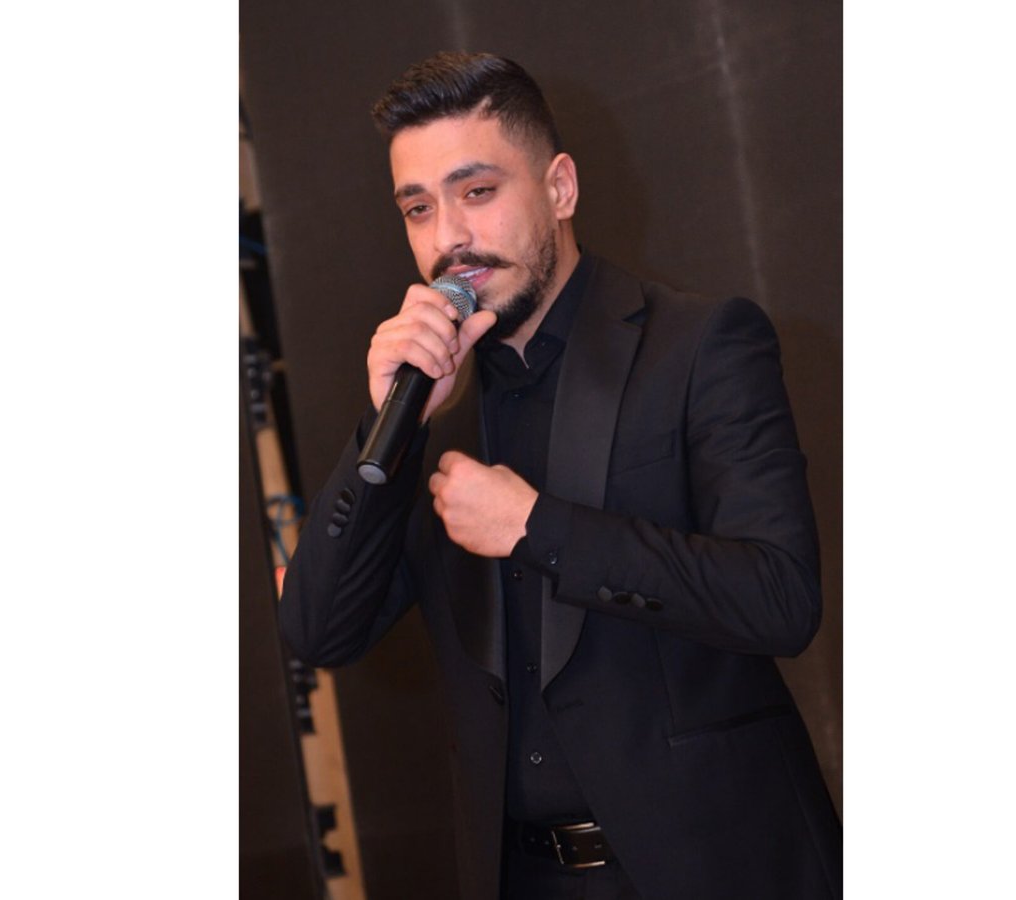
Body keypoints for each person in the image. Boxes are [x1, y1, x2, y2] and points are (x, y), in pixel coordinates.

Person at [278, 51, 842, 900]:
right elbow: (319, 631)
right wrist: (388, 428)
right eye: (419, 208)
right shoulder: (431, 408)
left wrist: (539, 528)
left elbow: (780, 598)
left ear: (561, 188)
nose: (448, 238)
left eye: (477, 191)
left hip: (714, 866)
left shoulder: (697, 345)